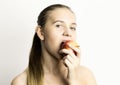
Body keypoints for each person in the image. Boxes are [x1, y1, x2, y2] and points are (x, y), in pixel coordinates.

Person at [11, 4, 97, 85]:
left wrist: (74, 81)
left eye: (72, 27)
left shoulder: (86, 76)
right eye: (58, 25)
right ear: (41, 32)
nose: (68, 33)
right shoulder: (21, 82)